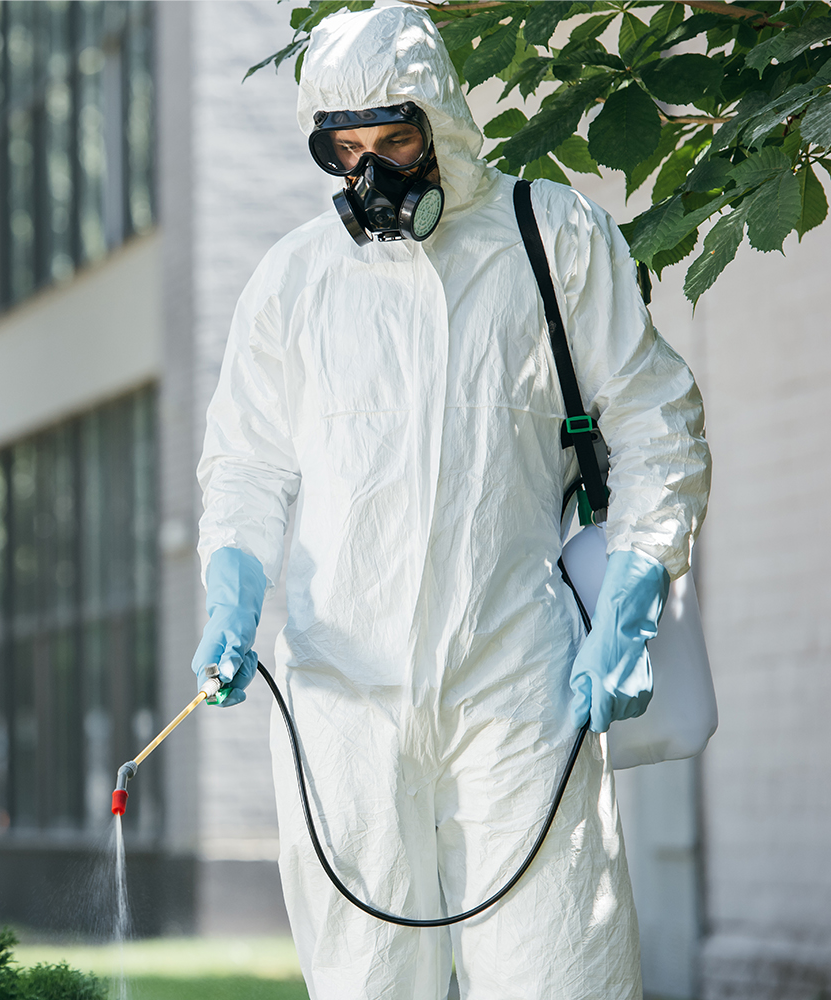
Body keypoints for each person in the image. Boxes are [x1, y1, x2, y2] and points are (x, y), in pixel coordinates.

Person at [192, 6, 710, 999]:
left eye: (396, 141)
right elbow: (246, 465)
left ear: (442, 122)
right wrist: (232, 589)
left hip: (518, 676)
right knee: (367, 980)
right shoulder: (294, 279)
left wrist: (636, 594)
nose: (374, 174)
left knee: (561, 970)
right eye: (348, 152)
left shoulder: (551, 235)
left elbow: (656, 423)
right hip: (341, 693)